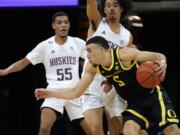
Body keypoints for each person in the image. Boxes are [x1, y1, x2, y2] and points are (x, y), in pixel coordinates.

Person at [35, 36, 180, 135]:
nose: (87, 55)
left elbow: (157, 55)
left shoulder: (124, 55)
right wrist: (50, 93)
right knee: (129, 131)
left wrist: (162, 62)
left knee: (172, 129)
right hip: (135, 104)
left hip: (153, 95)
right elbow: (75, 92)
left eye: (90, 50)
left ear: (103, 50)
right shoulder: (93, 67)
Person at [0, 12, 91, 135]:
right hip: (53, 93)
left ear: (69, 25)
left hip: (75, 93)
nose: (63, 25)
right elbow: (24, 62)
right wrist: (5, 71)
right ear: (53, 26)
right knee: (44, 127)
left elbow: (94, 59)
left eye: (66, 22)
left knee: (93, 131)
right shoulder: (45, 46)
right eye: (59, 23)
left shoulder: (78, 43)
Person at [84, 0, 133, 134]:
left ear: (121, 8)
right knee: (95, 129)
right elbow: (90, 3)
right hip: (92, 82)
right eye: (108, 5)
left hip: (113, 84)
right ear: (104, 9)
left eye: (115, 5)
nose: (111, 8)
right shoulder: (97, 23)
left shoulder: (127, 36)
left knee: (117, 129)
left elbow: (125, 65)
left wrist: (111, 81)